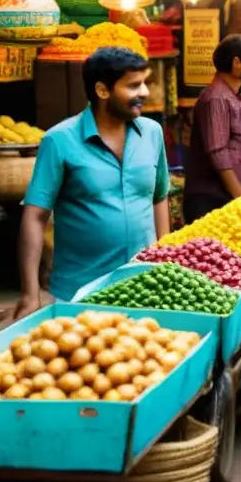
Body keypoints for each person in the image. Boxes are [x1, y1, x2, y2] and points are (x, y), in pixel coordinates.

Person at [15, 47, 170, 315]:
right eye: (133, 85)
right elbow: (35, 216)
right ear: (102, 91)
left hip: (145, 286)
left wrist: (166, 259)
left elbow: (159, 196)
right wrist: (30, 294)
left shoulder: (153, 134)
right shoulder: (59, 140)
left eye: (145, 82)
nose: (144, 92)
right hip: (80, 293)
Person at [184, 34, 241, 223]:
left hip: (229, 196)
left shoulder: (239, 94)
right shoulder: (217, 98)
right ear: (236, 63)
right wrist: (238, 193)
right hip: (211, 198)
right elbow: (217, 151)